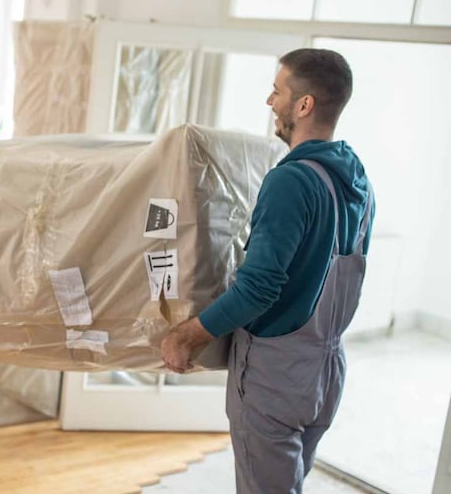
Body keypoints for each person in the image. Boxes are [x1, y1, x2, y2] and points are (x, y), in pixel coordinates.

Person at [160, 48, 374, 494]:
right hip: (326, 371)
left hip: (276, 374)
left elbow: (259, 288)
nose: (269, 101)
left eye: (277, 91)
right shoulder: (357, 181)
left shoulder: (292, 182)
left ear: (304, 105)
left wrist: (187, 335)